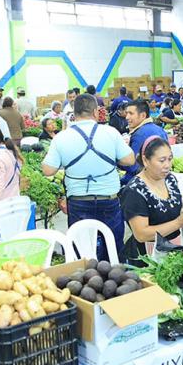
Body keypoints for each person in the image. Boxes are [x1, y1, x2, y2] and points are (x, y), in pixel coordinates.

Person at [42, 94, 135, 262]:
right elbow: (129, 160)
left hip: (78, 202)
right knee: (112, 247)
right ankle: (115, 278)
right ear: (95, 111)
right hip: (109, 200)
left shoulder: (61, 137)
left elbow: (48, 170)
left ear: (74, 112)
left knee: (82, 250)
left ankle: (86, 280)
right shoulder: (110, 132)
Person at [120, 137, 183, 265]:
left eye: (170, 159)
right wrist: (178, 223)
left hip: (173, 251)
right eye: (162, 160)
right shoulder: (134, 191)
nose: (167, 165)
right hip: (147, 259)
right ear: (146, 160)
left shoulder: (170, 179)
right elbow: (141, 234)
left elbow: (173, 210)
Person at [121, 99, 168, 185]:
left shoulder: (139, 134)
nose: (127, 117)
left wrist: (119, 160)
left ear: (143, 115)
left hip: (140, 183)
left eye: (131, 113)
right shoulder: (159, 129)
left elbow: (133, 166)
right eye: (126, 113)